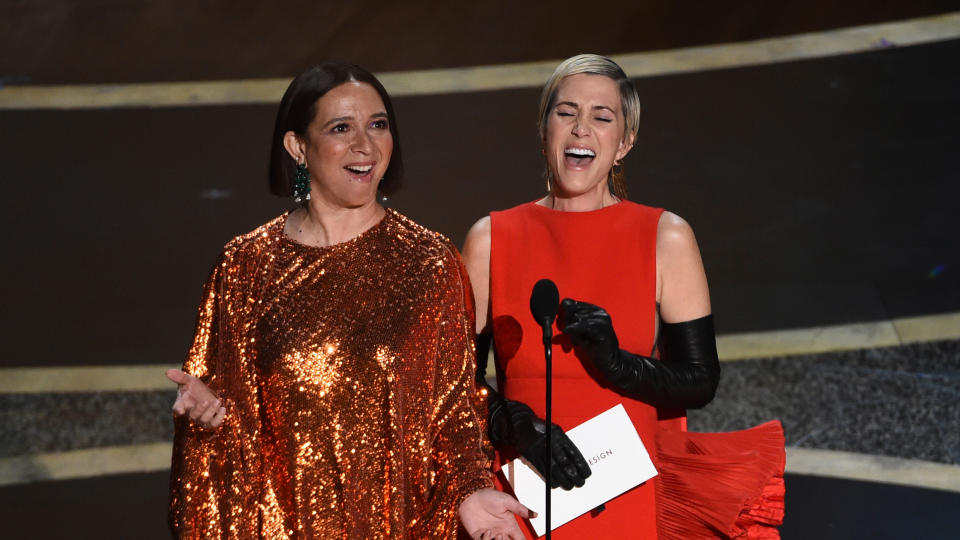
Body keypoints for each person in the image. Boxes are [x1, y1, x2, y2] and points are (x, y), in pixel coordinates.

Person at [166, 62, 533, 539]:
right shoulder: (245, 266)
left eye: (378, 125)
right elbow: (229, 445)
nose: (366, 145)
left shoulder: (429, 263)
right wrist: (207, 423)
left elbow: (455, 414)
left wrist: (471, 490)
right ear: (298, 146)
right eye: (341, 128)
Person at [462, 54, 785, 539]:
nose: (581, 130)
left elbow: (699, 381)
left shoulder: (665, 236)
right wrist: (515, 426)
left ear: (625, 142)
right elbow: (452, 387)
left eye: (601, 117)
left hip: (629, 504)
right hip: (521, 504)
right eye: (566, 112)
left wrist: (618, 365)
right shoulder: (490, 239)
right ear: (544, 128)